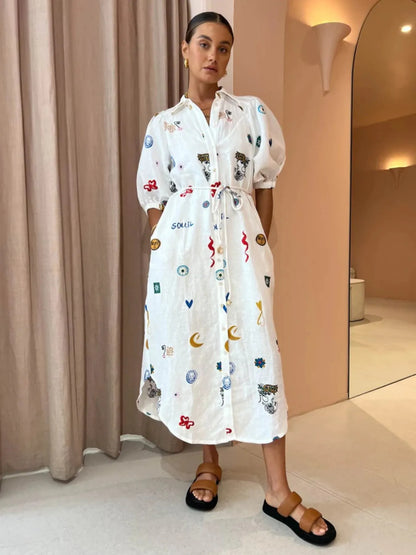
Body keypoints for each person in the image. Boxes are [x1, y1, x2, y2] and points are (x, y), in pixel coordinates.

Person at [136, 11, 336, 546]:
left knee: (259, 352)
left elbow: (265, 185)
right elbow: (154, 196)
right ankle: (209, 461)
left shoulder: (251, 114)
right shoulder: (164, 126)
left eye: (223, 48)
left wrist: (258, 244)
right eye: (204, 44)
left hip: (243, 254)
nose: (213, 56)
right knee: (199, 348)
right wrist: (169, 246)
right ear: (185, 49)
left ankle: (279, 491)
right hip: (183, 259)